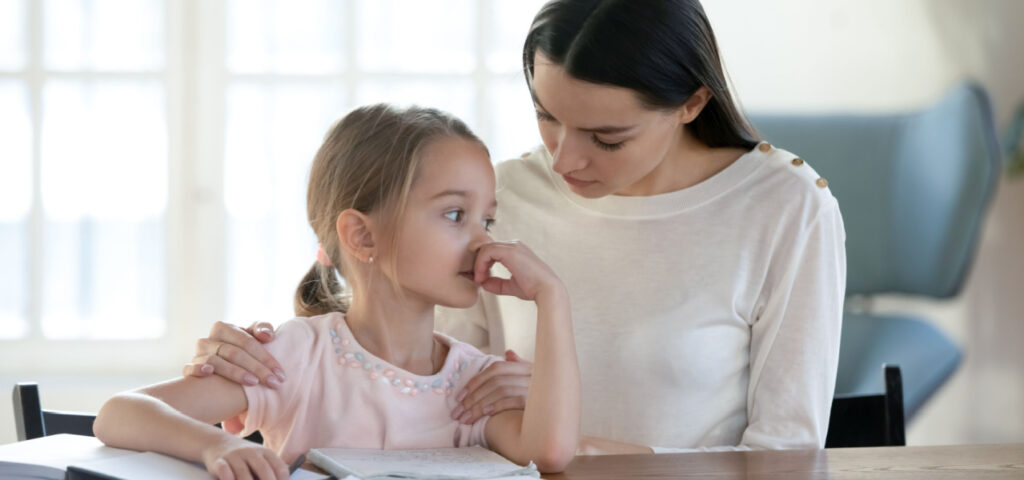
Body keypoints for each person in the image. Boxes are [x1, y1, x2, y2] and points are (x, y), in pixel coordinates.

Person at [187, 0, 845, 454]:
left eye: (605, 138)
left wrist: (589, 453)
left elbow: (784, 458)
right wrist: (252, 362)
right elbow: (411, 389)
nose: (562, 160)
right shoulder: (503, 196)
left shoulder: (786, 209)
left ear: (692, 103)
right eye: (546, 116)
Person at [94, 104, 581, 479]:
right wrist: (216, 445)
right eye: (456, 215)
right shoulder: (296, 357)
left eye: (488, 219)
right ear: (361, 236)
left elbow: (549, 452)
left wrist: (552, 298)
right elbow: (119, 415)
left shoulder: (474, 384)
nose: (484, 241)